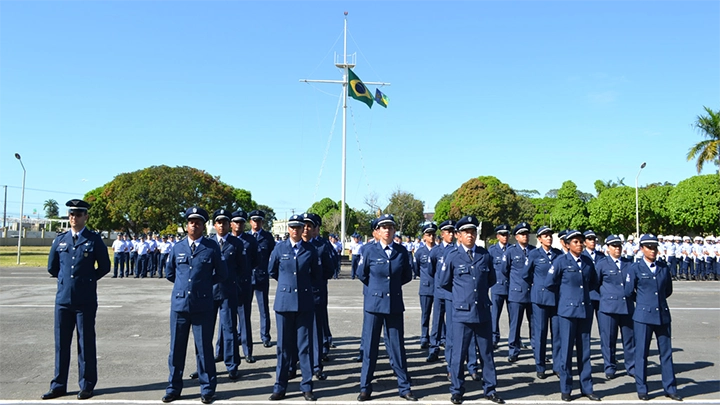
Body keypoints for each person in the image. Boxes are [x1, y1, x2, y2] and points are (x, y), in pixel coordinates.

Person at [42, 199, 111, 401]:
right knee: (61, 344)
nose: (74, 218)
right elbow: (52, 267)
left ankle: (87, 384)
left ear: (86, 217)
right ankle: (58, 384)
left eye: (78, 214)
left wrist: (87, 281)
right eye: (71, 214)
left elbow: (105, 266)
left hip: (85, 300)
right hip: (63, 299)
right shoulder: (60, 240)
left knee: (86, 343)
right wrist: (66, 282)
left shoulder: (93, 239)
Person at [162, 207, 227, 404]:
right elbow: (170, 273)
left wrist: (204, 285)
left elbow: (221, 274)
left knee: (204, 349)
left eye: (198, 222)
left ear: (203, 225)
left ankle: (207, 389)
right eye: (191, 221)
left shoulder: (211, 247)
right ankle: (173, 388)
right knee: (176, 349)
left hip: (202, 305)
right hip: (180, 305)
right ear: (187, 224)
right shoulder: (178, 247)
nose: (194, 224)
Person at [439, 215, 504, 405]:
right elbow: (444, 282)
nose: (470, 235)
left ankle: (490, 389)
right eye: (466, 232)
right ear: (458, 235)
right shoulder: (452, 256)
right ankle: (457, 390)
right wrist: (462, 296)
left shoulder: (484, 255)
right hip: (461, 312)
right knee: (458, 354)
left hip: (482, 311)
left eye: (473, 231)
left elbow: (491, 279)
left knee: (486, 354)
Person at [357, 214, 416, 402]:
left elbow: (407, 275)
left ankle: (404, 387)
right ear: (378, 231)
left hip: (394, 305)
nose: (388, 230)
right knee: (370, 348)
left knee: (397, 348)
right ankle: (365, 387)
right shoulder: (368, 251)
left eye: (391, 227)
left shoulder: (402, 252)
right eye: (384, 227)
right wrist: (377, 289)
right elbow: (362, 274)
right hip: (374, 305)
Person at [267, 214, 321, 401]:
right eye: (293, 227)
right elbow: (272, 270)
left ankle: (306, 386)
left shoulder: (310, 250)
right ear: (288, 229)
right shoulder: (279, 248)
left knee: (304, 347)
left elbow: (316, 274)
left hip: (304, 303)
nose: (297, 230)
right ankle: (280, 386)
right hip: (284, 303)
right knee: (283, 347)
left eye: (300, 227)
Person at [625, 234, 682, 401]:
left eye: (655, 247)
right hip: (643, 316)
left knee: (666, 353)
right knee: (641, 353)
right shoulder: (635, 268)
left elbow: (667, 290)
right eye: (649, 247)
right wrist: (643, 302)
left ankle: (670, 387)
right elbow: (629, 291)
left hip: (662, 315)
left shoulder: (663, 267)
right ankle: (642, 388)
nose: (652, 250)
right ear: (642, 249)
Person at [546, 230, 600, 402]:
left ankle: (587, 387)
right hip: (567, 312)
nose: (580, 244)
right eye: (575, 242)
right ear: (567, 245)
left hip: (584, 311)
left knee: (584, 352)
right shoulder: (561, 261)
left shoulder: (587, 262)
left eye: (581, 242)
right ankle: (566, 389)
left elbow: (593, 282)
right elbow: (550, 283)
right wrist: (564, 299)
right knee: (566, 351)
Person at [522, 225, 561, 379]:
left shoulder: (558, 254)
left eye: (550, 235)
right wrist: (537, 285)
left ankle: (558, 366)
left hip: (556, 298)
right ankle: (540, 365)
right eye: (545, 236)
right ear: (539, 239)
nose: (549, 238)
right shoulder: (534, 254)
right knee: (541, 333)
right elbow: (526, 274)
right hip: (540, 299)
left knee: (557, 334)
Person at [595, 234, 635, 380]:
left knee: (629, 339)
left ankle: (631, 366)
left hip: (626, 306)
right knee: (609, 339)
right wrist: (604, 299)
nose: (617, 248)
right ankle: (609, 366)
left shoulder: (629, 264)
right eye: (614, 246)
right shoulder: (602, 264)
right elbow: (595, 284)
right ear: (607, 248)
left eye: (619, 246)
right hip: (608, 308)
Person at [210, 209, 242, 380]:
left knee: (229, 329)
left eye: (224, 222)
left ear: (230, 224)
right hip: (209, 292)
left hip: (229, 292)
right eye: (218, 222)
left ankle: (232, 364)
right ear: (214, 225)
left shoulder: (236, 244)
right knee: (206, 331)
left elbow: (243, 269)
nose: (221, 225)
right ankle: (206, 365)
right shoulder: (208, 243)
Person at [227, 210, 258, 363]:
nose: (238, 225)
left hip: (244, 284)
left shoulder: (250, 240)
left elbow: (256, 260)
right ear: (230, 224)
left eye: (241, 222)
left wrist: (245, 273)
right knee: (226, 321)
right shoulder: (225, 240)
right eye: (236, 222)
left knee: (244, 318)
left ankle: (247, 351)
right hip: (227, 285)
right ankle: (224, 351)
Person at [503, 222, 534, 363]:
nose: (525, 236)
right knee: (515, 324)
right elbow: (505, 270)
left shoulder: (534, 251)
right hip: (516, 293)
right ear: (516, 237)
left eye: (527, 233)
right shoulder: (510, 251)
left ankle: (537, 349)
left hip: (532, 293)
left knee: (535, 324)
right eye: (522, 234)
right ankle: (513, 350)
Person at [427, 220, 456, 364]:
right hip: (439, 291)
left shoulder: (457, 249)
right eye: (448, 232)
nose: (451, 235)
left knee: (451, 324)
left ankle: (451, 353)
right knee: (437, 321)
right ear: (442, 234)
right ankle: (434, 349)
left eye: (452, 232)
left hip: (452, 293)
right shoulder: (435, 251)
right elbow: (432, 270)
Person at [248, 210, 276, 348]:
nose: (256, 223)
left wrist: (269, 271)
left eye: (259, 220)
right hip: (246, 278)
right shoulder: (245, 237)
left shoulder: (267, 237)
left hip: (261, 277)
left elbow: (274, 255)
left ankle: (265, 336)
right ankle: (242, 335)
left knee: (263, 309)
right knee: (243, 309)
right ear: (250, 222)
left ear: (262, 222)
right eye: (254, 220)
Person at [413, 223, 438, 350]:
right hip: (426, 287)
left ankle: (439, 337)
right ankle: (424, 337)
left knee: (439, 315)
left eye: (433, 234)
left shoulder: (440, 250)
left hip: (439, 287)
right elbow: (416, 269)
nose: (432, 237)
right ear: (424, 237)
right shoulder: (419, 252)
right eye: (429, 235)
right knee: (425, 314)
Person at [488, 224, 511, 350]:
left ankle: (514, 339)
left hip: (511, 287)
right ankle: (494, 337)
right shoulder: (492, 250)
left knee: (513, 316)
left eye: (507, 234)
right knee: (495, 314)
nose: (505, 237)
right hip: (497, 286)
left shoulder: (512, 249)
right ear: (497, 236)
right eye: (502, 234)